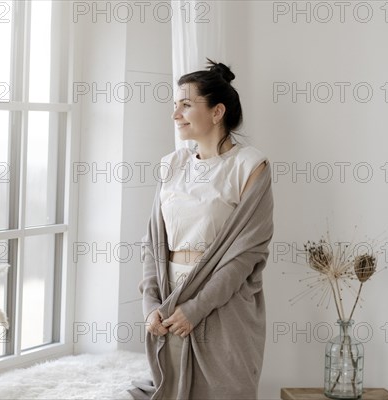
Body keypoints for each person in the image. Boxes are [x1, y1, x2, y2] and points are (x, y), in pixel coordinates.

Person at [128, 59, 274, 400]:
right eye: (175, 105)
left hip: (225, 307)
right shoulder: (172, 165)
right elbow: (153, 244)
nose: (175, 114)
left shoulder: (249, 166)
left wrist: (196, 309)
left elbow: (247, 254)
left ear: (217, 111)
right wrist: (150, 303)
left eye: (186, 105)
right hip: (169, 303)